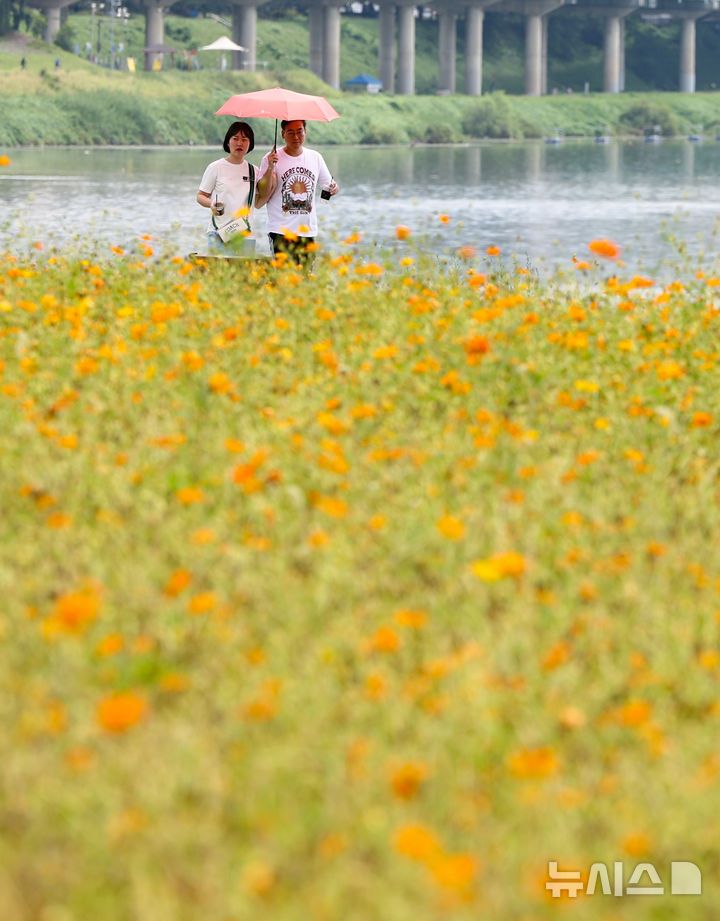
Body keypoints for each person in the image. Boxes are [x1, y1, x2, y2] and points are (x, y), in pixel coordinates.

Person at [255, 119, 339, 264]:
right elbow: (262, 193)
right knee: (285, 280)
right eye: (291, 132)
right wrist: (270, 167)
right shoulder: (271, 159)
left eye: (299, 132)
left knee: (306, 279)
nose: (296, 137)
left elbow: (328, 183)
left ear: (305, 132)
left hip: (307, 230)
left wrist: (333, 188)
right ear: (282, 134)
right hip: (280, 231)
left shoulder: (315, 157)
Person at [196, 121, 258, 256]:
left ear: (250, 143)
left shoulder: (254, 171)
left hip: (246, 235)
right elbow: (200, 196)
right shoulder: (216, 167)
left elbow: (259, 202)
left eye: (244, 139)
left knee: (244, 276)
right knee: (218, 275)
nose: (239, 143)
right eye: (235, 139)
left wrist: (271, 169)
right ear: (228, 142)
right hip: (219, 232)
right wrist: (211, 204)